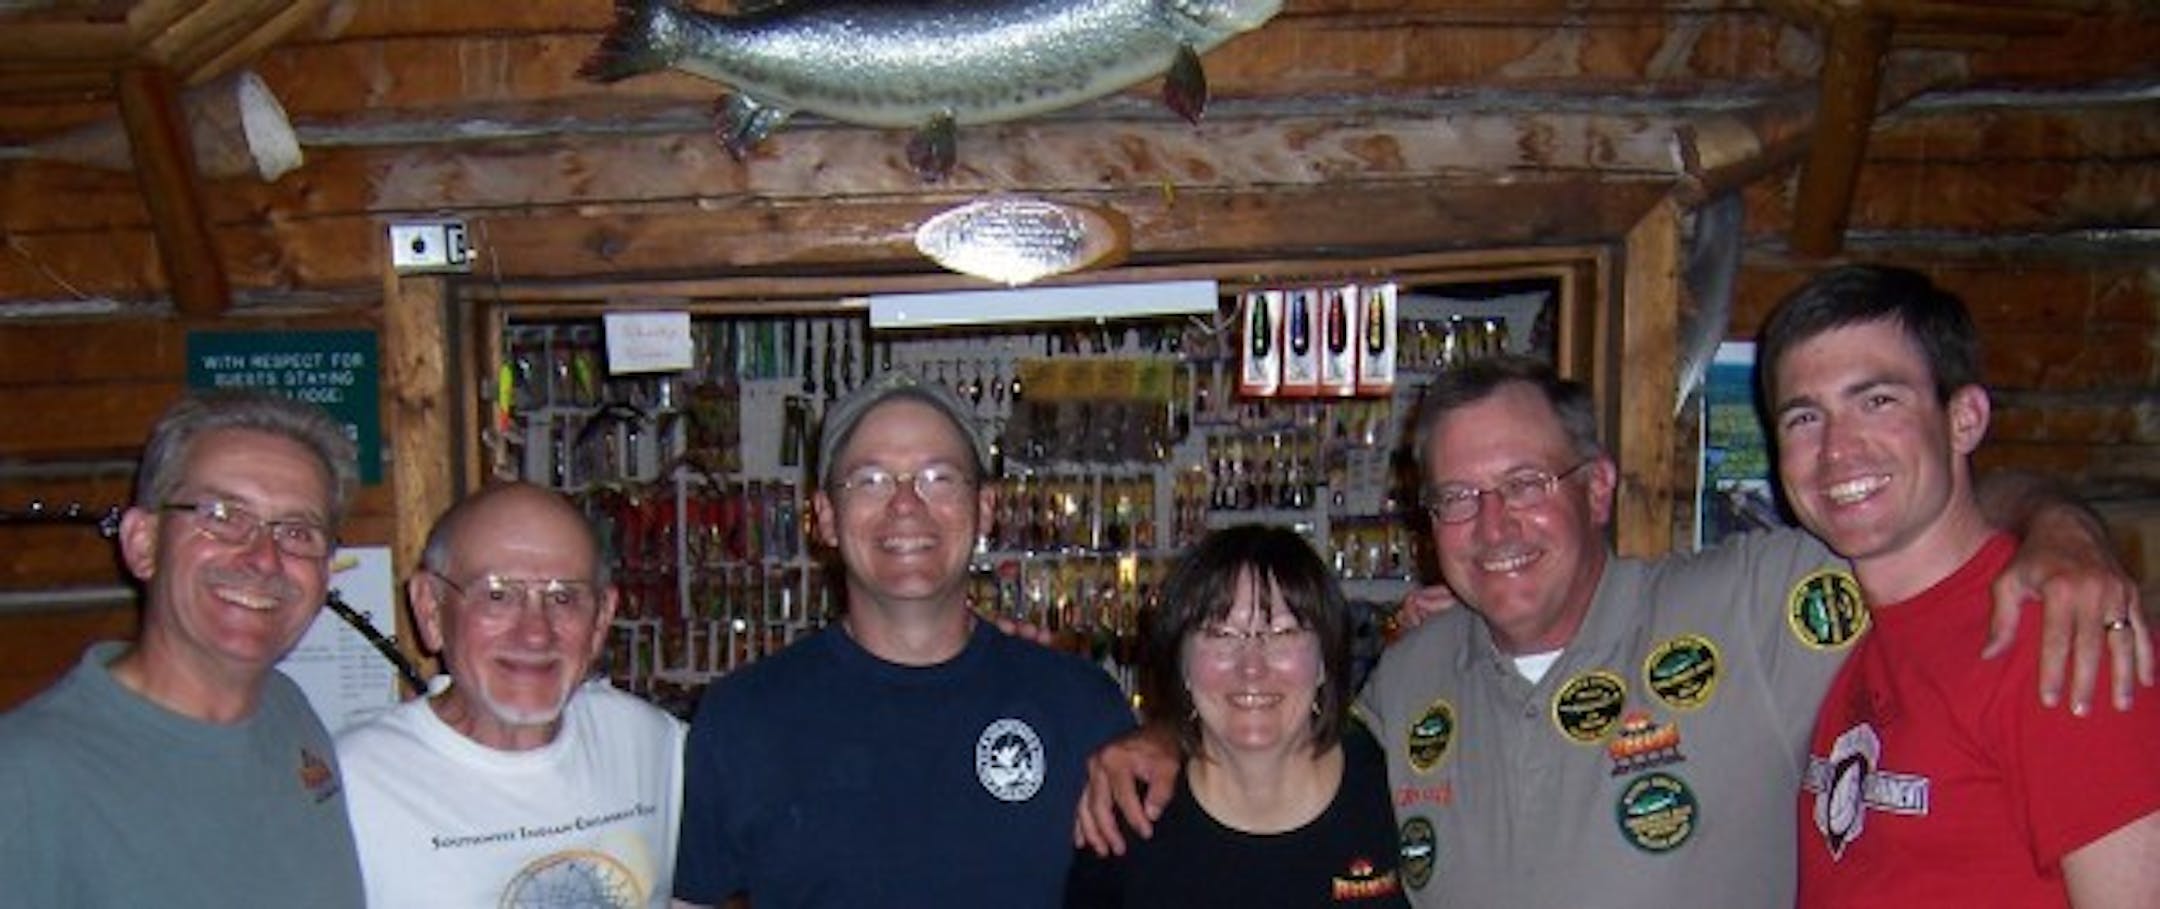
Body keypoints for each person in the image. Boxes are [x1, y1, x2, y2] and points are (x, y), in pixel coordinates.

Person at [1080, 354, 2146, 908]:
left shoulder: (1754, 601)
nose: (1494, 527)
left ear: (1596, 487)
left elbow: (1916, 520)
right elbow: (1270, 718)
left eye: (1526, 484)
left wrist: (2061, 529)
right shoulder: (1409, 684)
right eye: (1458, 499)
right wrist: (1168, 735)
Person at [1759, 264, 2160, 906]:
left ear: (1964, 419)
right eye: (1805, 418)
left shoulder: (2057, 635)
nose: (1837, 450)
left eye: (1878, 401)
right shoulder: (1858, 630)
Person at [672, 370, 1134, 908]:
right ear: (824, 517)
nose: (906, 504)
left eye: (938, 477)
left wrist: (1175, 736)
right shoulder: (743, 717)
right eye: (870, 480)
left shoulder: (1079, 705)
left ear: (984, 507)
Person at [0, 389, 365, 907]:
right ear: (143, 544)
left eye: (298, 531)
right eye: (222, 515)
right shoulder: (25, 776)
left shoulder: (291, 717)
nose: (262, 557)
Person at [337, 482, 685, 908]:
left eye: (563, 597)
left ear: (601, 618)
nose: (536, 633)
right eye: (498, 595)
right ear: (430, 608)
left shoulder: (652, 744)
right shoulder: (352, 783)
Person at [1065, 525, 1409, 907]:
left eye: (1282, 633)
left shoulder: (1393, 793)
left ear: (1326, 659)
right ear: (1182, 666)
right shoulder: (1127, 826)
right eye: (1221, 635)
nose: (1251, 667)